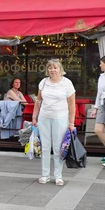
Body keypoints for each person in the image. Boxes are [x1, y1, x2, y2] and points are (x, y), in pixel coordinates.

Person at [32, 58, 76, 186]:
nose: (52, 70)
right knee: (45, 147)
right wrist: (34, 117)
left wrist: (71, 122)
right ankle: (45, 175)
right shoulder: (44, 82)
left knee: (58, 148)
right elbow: (38, 101)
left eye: (55, 68)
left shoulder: (67, 83)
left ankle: (58, 175)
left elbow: (72, 104)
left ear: (60, 69)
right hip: (44, 117)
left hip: (61, 117)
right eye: (50, 68)